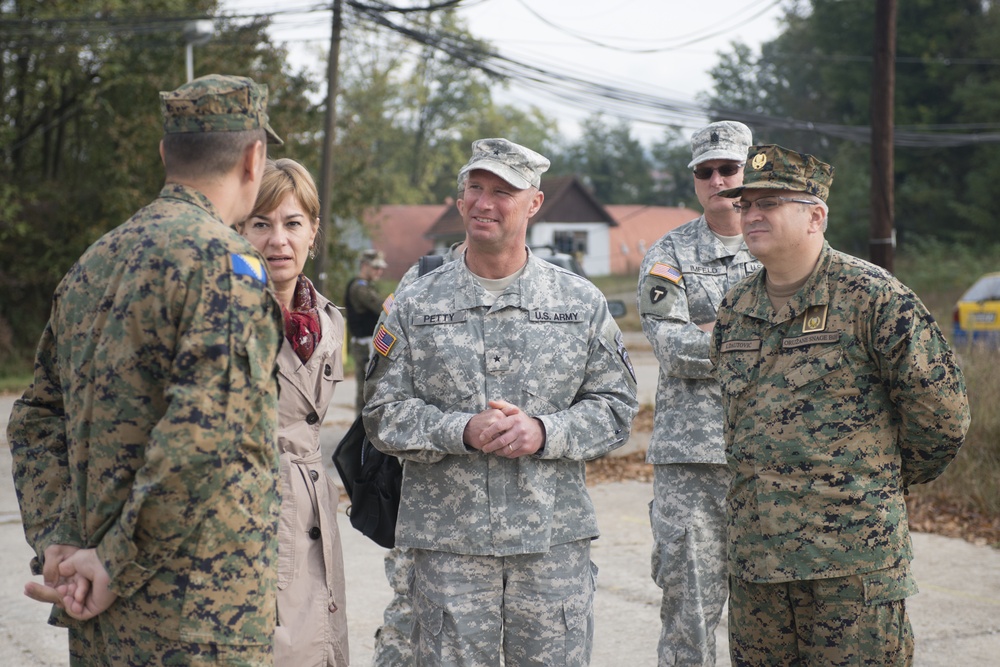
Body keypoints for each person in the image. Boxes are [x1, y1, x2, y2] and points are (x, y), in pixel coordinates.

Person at [7, 74, 285, 664]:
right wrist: (112, 560)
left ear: (165, 154)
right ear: (255, 156)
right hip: (200, 615)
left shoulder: (94, 262)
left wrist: (60, 539)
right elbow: (204, 434)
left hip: (105, 619)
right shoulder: (227, 263)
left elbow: (35, 418)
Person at [362, 137, 638, 666]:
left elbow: (615, 407)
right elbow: (380, 413)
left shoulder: (579, 301)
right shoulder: (414, 302)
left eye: (503, 192)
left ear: (534, 203)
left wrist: (544, 431)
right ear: (461, 197)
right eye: (475, 188)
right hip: (448, 547)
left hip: (551, 544)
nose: (484, 203)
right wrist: (459, 430)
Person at [710, 144, 971, 665]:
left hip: (850, 568)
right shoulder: (736, 309)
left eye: (769, 202)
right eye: (746, 205)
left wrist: (866, 486)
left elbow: (942, 419)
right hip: (757, 568)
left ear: (816, 215)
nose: (752, 214)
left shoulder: (874, 298)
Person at [636, 120, 757, 666]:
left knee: (773, 620)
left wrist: (714, 330)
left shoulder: (784, 242)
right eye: (704, 172)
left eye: (727, 168)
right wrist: (758, 332)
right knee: (690, 620)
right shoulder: (670, 254)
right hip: (693, 463)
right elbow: (675, 349)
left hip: (773, 457)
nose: (716, 180)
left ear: (748, 170)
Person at [238, 158, 350, 666]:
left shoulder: (330, 322)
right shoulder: (223, 314)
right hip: (252, 512)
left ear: (313, 232)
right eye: (261, 224)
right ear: (238, 230)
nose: (277, 240)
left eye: (292, 223)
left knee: (320, 641)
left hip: (315, 508)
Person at [370, 238, 466, 667]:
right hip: (427, 506)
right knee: (411, 621)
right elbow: (382, 394)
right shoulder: (422, 279)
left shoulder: (545, 283)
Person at [345, 248, 388, 414]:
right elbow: (382, 307)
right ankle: (360, 434)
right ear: (364, 266)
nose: (379, 271)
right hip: (364, 345)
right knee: (366, 392)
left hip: (368, 343)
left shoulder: (366, 286)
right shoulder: (359, 287)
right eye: (375, 267)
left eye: (381, 267)